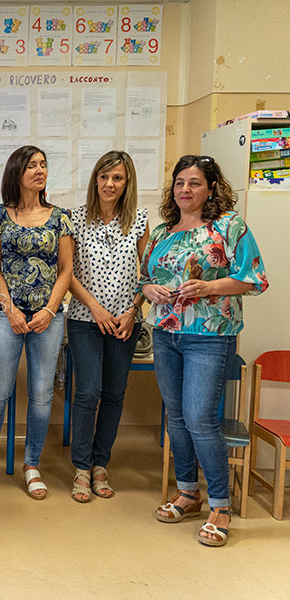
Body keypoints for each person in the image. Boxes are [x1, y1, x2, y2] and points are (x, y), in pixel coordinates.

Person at [141, 155, 267, 547]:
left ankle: (220, 504)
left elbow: (254, 279)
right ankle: (187, 492)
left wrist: (209, 288)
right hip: (165, 333)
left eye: (194, 183)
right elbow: (145, 279)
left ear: (211, 188)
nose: (185, 190)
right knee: (176, 417)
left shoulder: (230, 226)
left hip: (210, 335)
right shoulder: (164, 230)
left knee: (200, 418)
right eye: (180, 183)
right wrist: (150, 291)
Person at [0, 145, 74, 500]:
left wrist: (49, 309)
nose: (39, 170)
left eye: (43, 165)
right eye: (32, 165)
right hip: (6, 315)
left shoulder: (60, 217)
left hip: (49, 317)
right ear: (17, 172)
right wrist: (9, 308)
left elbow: (66, 270)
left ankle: (32, 464)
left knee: (42, 394)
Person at [67, 151, 149, 503]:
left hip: (125, 322)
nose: (109, 184)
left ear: (127, 181)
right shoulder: (75, 219)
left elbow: (148, 274)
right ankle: (82, 469)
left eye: (117, 177)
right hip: (85, 319)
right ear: (95, 180)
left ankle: (101, 464)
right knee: (88, 392)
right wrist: (96, 308)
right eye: (104, 177)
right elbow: (66, 274)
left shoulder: (141, 220)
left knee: (114, 394)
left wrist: (132, 310)